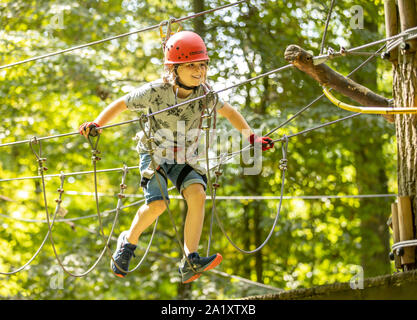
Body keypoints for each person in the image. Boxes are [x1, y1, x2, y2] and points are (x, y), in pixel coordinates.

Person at [79, 31, 274, 284]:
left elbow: (230, 113)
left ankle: (189, 260)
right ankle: (128, 243)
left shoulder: (206, 95)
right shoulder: (155, 92)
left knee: (198, 194)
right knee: (158, 204)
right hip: (155, 154)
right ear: (174, 69)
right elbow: (121, 104)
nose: (198, 70)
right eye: (191, 65)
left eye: (202, 65)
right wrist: (97, 123)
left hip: (183, 156)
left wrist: (252, 138)